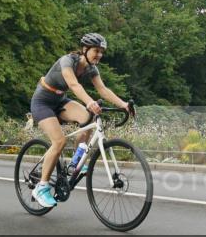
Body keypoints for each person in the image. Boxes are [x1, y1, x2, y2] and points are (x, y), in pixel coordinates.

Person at [30, 33, 132, 208]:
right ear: (85, 49)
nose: (99, 55)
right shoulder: (67, 61)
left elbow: (103, 89)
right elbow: (73, 85)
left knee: (88, 117)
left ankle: (76, 162)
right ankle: (41, 187)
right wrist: (89, 102)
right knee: (59, 141)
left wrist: (124, 105)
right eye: (96, 50)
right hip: (42, 102)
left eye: (101, 52)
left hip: (60, 100)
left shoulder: (92, 69)